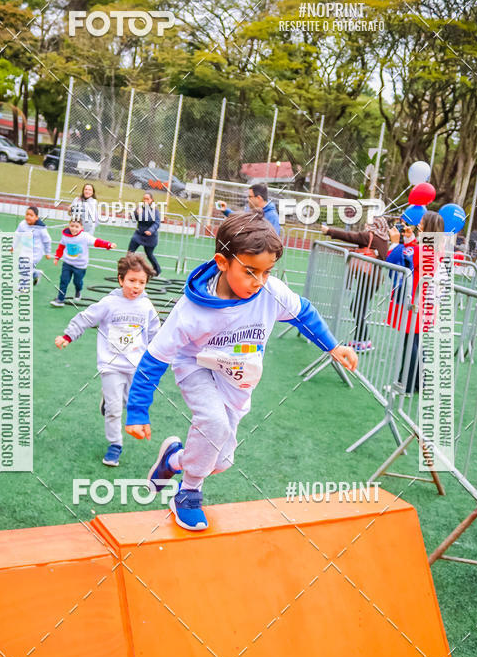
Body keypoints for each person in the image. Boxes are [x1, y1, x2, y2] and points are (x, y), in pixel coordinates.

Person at [125, 210, 358, 532]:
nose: (259, 281)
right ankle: (188, 493)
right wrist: (137, 411)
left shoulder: (269, 291)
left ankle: (173, 460)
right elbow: (155, 357)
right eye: (250, 271)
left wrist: (333, 346)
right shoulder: (191, 311)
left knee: (219, 462)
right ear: (223, 262)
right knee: (213, 423)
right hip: (196, 366)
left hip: (238, 377)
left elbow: (303, 313)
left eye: (267, 272)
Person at [55, 253, 160, 466]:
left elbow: (154, 333)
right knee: (114, 409)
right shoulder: (109, 303)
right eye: (131, 280)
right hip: (110, 366)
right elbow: (86, 317)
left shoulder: (147, 307)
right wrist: (68, 335)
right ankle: (115, 445)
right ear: (121, 279)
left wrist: (157, 356)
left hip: (136, 366)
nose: (136, 286)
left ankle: (108, 400)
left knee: (130, 402)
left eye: (141, 282)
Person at [386, 210, 445, 393]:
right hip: (425, 302)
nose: (418, 224)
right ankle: (418, 382)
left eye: (422, 222)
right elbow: (412, 255)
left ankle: (405, 384)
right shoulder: (434, 249)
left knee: (410, 342)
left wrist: (395, 243)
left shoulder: (424, 250)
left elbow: (397, 259)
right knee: (416, 343)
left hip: (417, 301)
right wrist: (410, 241)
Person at [321, 216, 390, 351]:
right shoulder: (383, 239)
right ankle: (360, 340)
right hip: (372, 279)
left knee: (357, 308)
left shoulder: (370, 236)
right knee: (358, 308)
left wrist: (329, 231)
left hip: (368, 279)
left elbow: (350, 236)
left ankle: (364, 340)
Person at [50, 216, 117, 307]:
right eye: (72, 226)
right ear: (69, 226)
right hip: (67, 264)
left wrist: (108, 245)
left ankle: (78, 291)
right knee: (63, 281)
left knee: (77, 282)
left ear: (81, 227)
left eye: (77, 226)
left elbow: (97, 242)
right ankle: (60, 299)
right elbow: (61, 247)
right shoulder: (65, 236)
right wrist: (57, 257)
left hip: (80, 266)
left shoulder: (85, 236)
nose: (74, 228)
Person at [217, 183, 281, 236]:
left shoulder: (273, 217)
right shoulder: (250, 209)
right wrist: (225, 210)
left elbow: (272, 243)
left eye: (250, 197)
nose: (247, 199)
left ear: (258, 198)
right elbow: (240, 218)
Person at [13, 205, 52, 289]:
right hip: (25, 251)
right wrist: (13, 246)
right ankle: (36, 273)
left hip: (36, 253)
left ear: (36, 217)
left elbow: (47, 240)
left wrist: (48, 253)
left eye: (31, 215)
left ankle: (23, 287)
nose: (28, 217)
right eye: (27, 214)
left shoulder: (41, 229)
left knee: (26, 269)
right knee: (22, 267)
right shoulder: (22, 224)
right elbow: (17, 235)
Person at [128, 193, 162, 276]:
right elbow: (133, 217)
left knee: (149, 254)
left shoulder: (155, 210)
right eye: (144, 199)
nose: (145, 201)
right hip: (139, 234)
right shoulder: (139, 208)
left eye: (147, 199)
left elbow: (156, 223)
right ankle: (127, 268)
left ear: (151, 200)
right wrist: (135, 214)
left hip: (150, 236)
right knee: (130, 252)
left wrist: (151, 230)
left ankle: (157, 270)